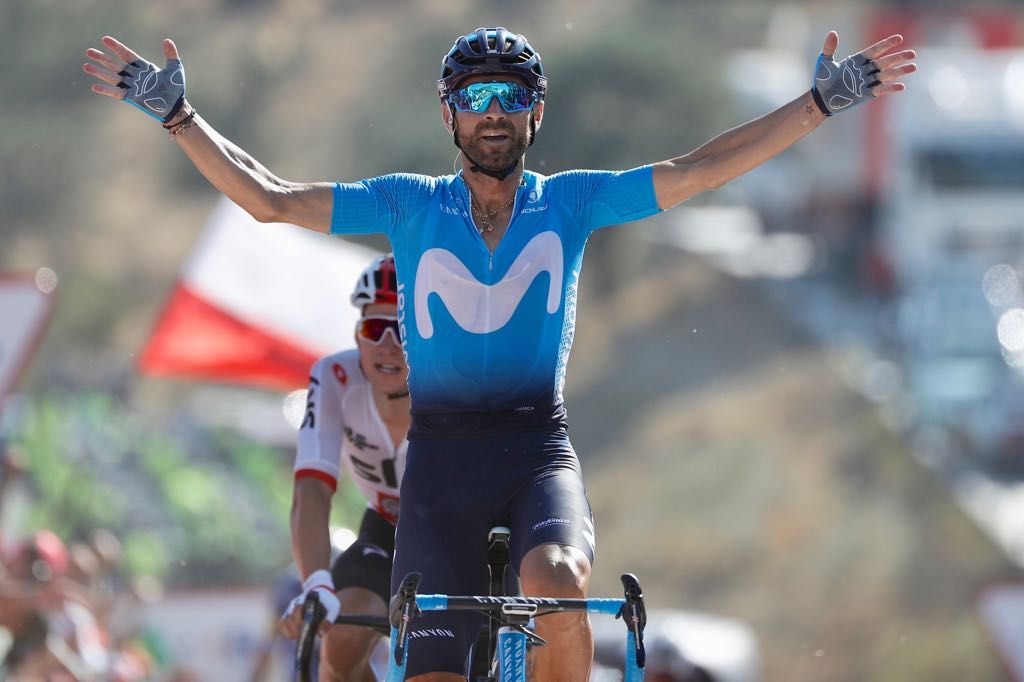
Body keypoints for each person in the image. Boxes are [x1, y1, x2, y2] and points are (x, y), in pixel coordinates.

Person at [84, 26, 915, 681]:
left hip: (534, 448)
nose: (493, 111)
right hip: (438, 462)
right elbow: (269, 199)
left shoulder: (574, 202)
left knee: (556, 580)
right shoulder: (407, 205)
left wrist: (817, 105)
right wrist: (179, 118)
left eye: (511, 97)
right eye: (475, 96)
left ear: (535, 114)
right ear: (448, 115)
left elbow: (697, 170)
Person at [276, 255, 409, 681]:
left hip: (463, 536)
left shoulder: (453, 378)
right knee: (342, 640)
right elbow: (311, 490)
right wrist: (316, 582)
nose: (387, 345)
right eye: (374, 329)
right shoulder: (334, 378)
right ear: (358, 334)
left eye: (402, 329)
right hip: (387, 527)